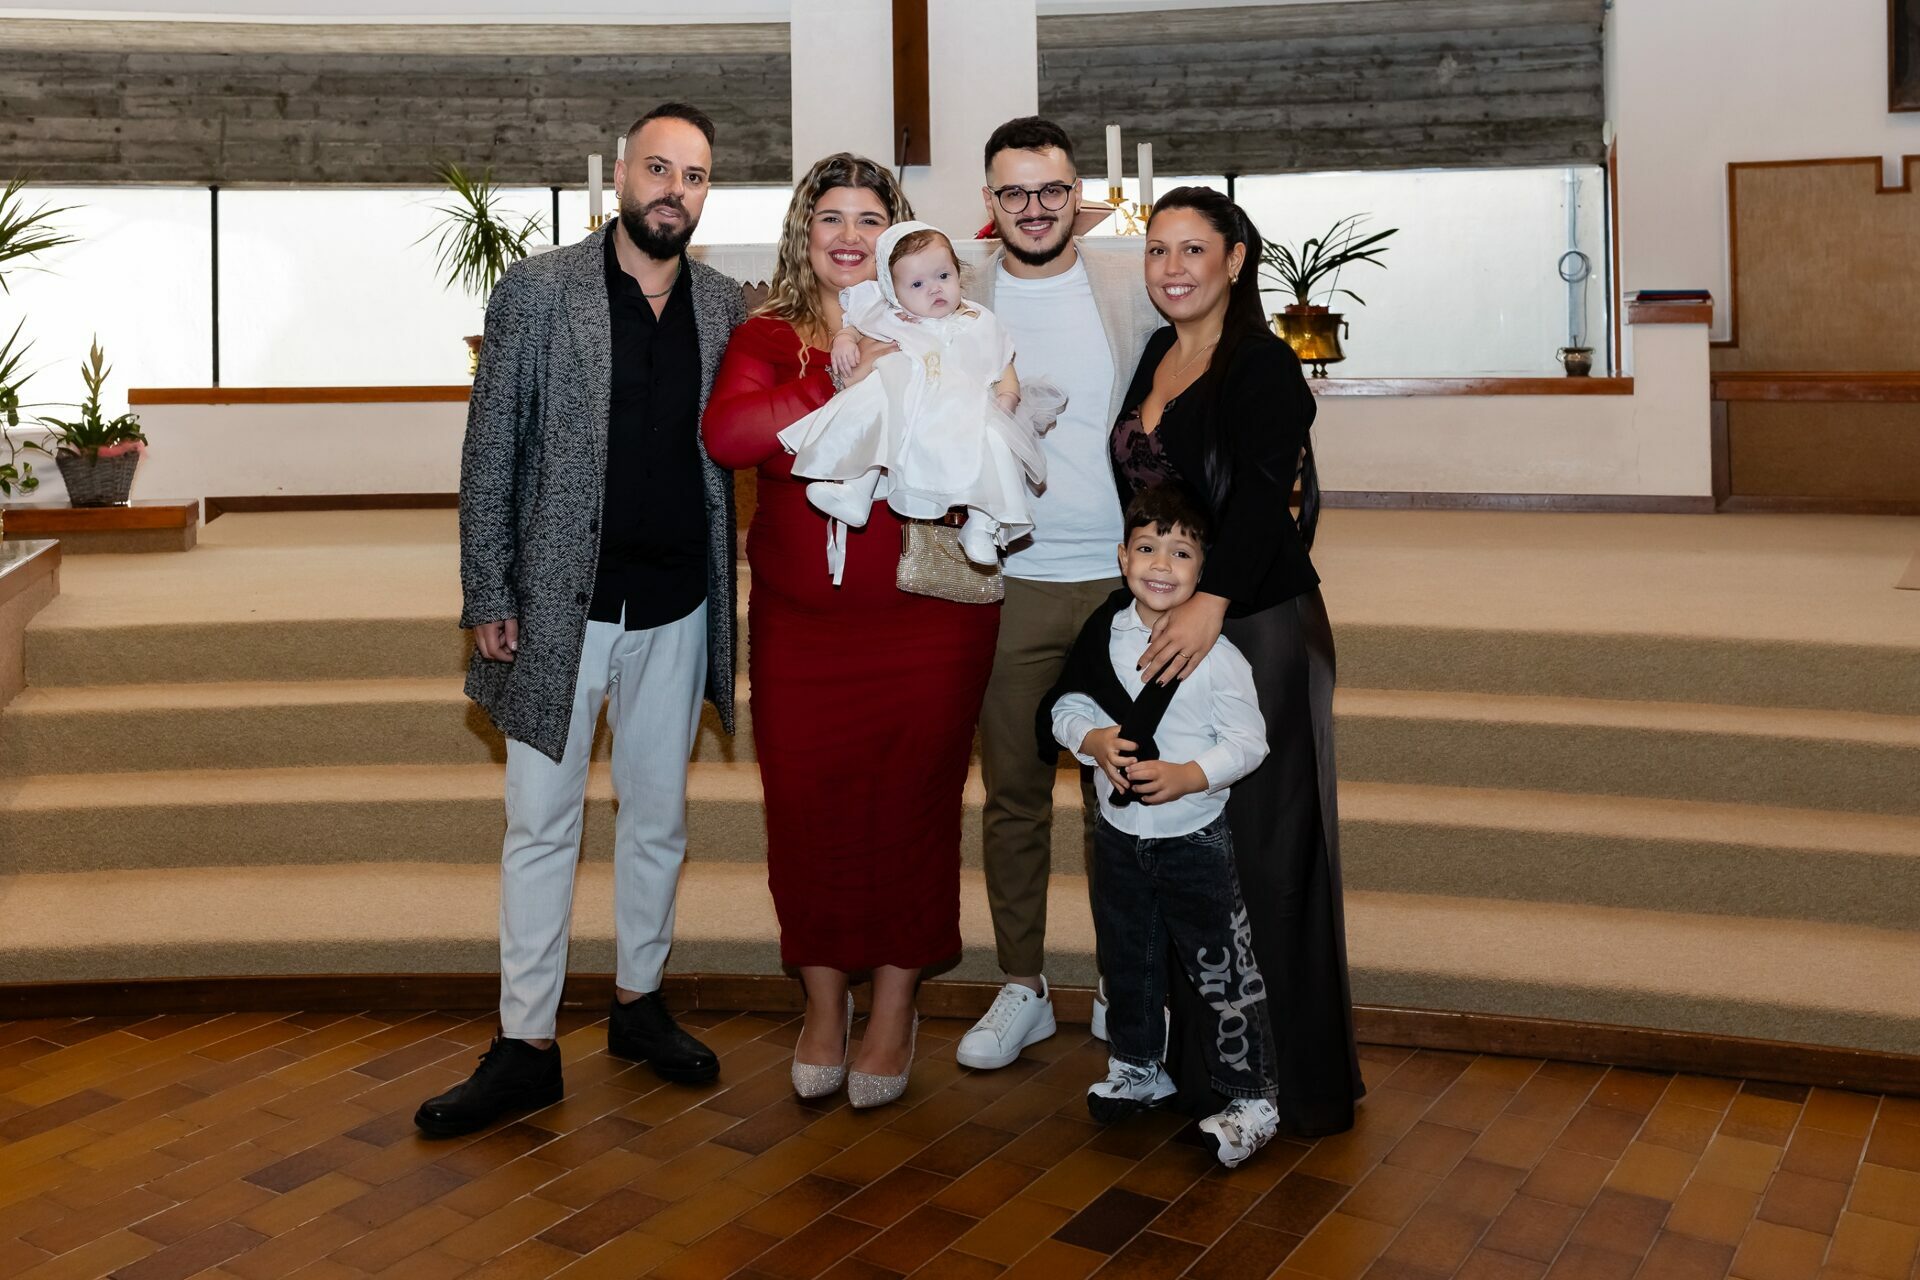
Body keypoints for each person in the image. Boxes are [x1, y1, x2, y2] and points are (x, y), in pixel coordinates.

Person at [420, 102, 747, 1138]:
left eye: (694, 176)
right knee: (541, 823)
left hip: (679, 605)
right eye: (659, 169)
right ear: (620, 174)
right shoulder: (538, 288)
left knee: (658, 819)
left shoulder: (727, 306)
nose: (674, 191)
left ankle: (640, 1005)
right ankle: (524, 1043)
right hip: (560, 608)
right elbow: (491, 448)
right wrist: (489, 590)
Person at [703, 155, 997, 1108]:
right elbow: (730, 436)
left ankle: (894, 1008)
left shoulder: (945, 325)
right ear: (805, 231)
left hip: (928, 618)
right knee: (806, 811)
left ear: (899, 235)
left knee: (915, 806)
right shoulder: (769, 334)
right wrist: (844, 384)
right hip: (805, 627)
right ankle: (824, 1006)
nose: (850, 235)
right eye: (831, 216)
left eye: (872, 219)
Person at [1109, 185, 1363, 1137]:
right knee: (1191, 852)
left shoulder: (1263, 363)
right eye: (1158, 250)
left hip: (1253, 625)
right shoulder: (1157, 352)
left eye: (1193, 249)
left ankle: (1290, 1084)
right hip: (1178, 624)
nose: (1172, 268)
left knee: (1263, 854)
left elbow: (1262, 497)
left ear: (1236, 259)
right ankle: (1213, 1072)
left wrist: (1208, 605)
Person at [957, 116, 1165, 1072]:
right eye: (1014, 192)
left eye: (1051, 191)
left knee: (1123, 789)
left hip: (1122, 584)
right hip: (1009, 582)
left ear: (1077, 195)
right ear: (990, 202)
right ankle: (1024, 984)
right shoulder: (959, 290)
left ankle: (1128, 982)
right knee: (1014, 793)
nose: (1034, 208)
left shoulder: (1128, 283)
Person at [1043, 483, 1280, 1168]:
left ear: (1204, 569)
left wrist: (1188, 775)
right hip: (1118, 838)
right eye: (1147, 547)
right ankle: (1139, 1066)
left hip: (1192, 840)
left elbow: (1249, 743)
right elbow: (1065, 706)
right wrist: (1091, 740)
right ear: (1122, 558)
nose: (1161, 564)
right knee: (1129, 959)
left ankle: (1252, 1099)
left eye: (1181, 552)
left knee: (1220, 968)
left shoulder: (1219, 657)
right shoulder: (1102, 635)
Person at [779, 220, 1058, 580]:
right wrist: (845, 340)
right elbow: (856, 324)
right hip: (908, 408)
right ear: (893, 292)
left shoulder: (976, 319)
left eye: (943, 276)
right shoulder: (892, 316)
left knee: (993, 446)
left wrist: (1008, 395)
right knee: (877, 399)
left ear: (958, 273)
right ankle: (855, 492)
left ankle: (984, 525)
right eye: (917, 284)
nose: (934, 289)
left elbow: (1002, 362)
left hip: (964, 410)